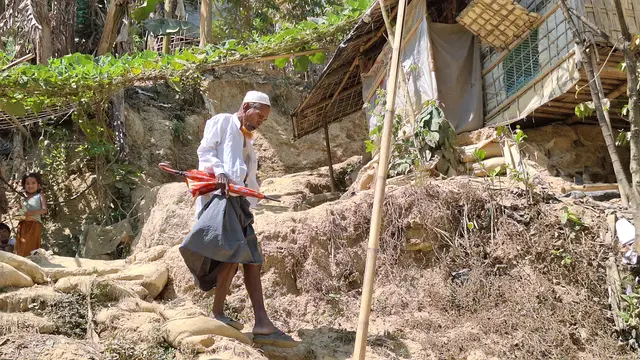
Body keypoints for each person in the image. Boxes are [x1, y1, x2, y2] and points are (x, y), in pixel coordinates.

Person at [179, 91, 297, 348]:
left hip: (238, 202)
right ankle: (221, 313)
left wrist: (251, 198)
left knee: (252, 259)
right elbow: (206, 150)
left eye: (264, 119)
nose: (260, 122)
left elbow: (246, 176)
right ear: (245, 107)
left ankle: (261, 323)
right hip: (220, 199)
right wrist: (219, 171)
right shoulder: (221, 121)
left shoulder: (247, 141)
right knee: (235, 255)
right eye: (259, 116)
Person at [15, 173, 47, 257]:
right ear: (24, 185)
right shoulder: (23, 198)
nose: (30, 186)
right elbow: (22, 211)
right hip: (23, 225)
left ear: (38, 185)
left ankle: (31, 264)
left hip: (34, 225)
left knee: (31, 246)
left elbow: (44, 210)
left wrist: (32, 213)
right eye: (27, 184)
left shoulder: (40, 196)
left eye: (33, 183)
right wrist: (20, 215)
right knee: (21, 246)